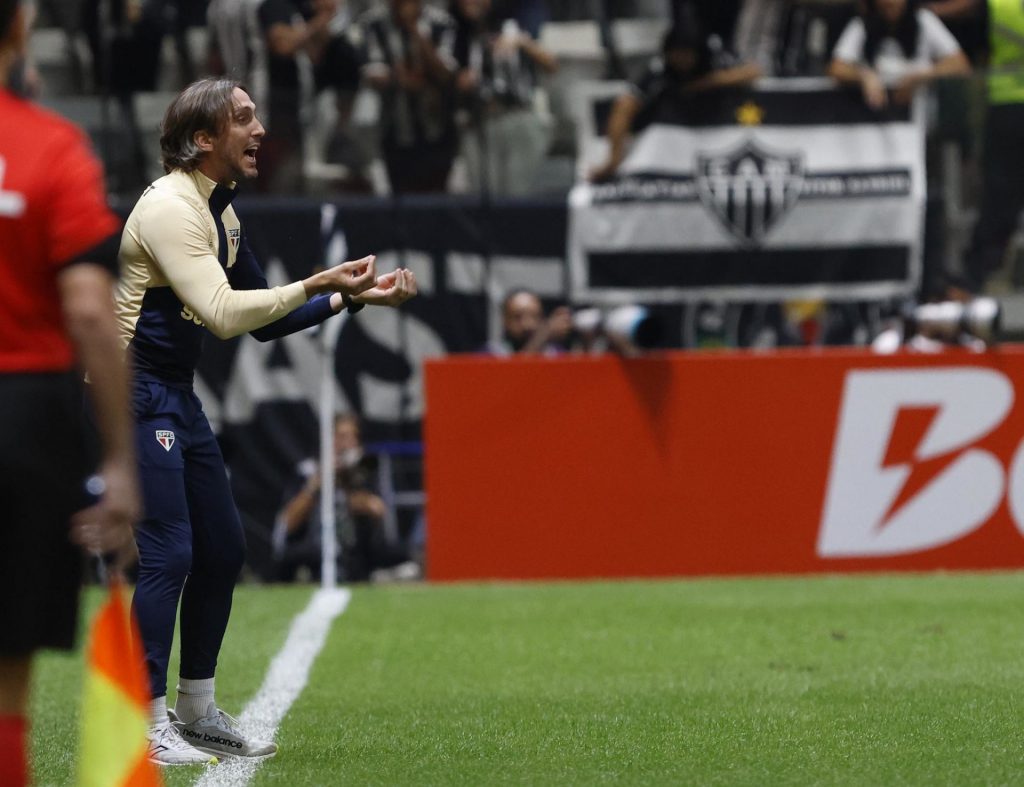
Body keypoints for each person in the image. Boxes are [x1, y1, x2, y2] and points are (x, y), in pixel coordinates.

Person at [115, 76, 417, 764]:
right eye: (243, 119)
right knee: (170, 552)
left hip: (173, 394)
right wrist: (315, 281)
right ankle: (142, 718)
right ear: (203, 139)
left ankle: (195, 708)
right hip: (130, 391)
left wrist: (353, 297)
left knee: (223, 545)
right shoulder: (169, 207)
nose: (259, 130)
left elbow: (266, 320)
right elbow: (225, 315)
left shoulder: (223, 212)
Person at [0, 0, 141, 783]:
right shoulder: (50, 147)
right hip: (22, 417)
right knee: (8, 680)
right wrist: (118, 459)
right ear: (20, 28)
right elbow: (89, 308)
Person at [588, 24, 761, 182]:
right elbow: (625, 105)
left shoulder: (714, 57)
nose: (681, 60)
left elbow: (753, 72)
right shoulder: (660, 69)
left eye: (686, 54)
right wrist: (613, 160)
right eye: (676, 54)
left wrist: (703, 84)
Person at [273, 413, 418, 583]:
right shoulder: (308, 470)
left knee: (405, 556)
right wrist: (316, 486)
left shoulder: (367, 468)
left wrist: (348, 483)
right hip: (316, 546)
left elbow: (378, 509)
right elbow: (287, 522)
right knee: (285, 559)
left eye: (353, 436)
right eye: (341, 436)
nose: (347, 443)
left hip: (358, 548)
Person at [451, 0, 558, 195]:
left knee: (518, 195)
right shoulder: (457, 34)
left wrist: (522, 42)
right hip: (478, 122)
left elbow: (551, 64)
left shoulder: (511, 26)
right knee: (484, 195)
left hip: (517, 116)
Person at [356, 0, 459, 193]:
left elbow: (445, 73)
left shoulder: (442, 22)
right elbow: (373, 73)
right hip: (394, 131)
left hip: (437, 130)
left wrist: (414, 29)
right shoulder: (373, 23)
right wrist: (403, 79)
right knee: (401, 203)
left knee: (436, 200)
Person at [828, 0, 970, 110]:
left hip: (921, 115)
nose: (891, 2)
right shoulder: (862, 25)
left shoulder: (923, 20)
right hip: (874, 117)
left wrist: (921, 77)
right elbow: (836, 68)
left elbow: (960, 64)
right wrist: (864, 77)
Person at [484, 289, 571, 355]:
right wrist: (542, 337)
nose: (527, 325)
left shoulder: (557, 354)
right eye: (517, 317)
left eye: (534, 316)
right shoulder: (490, 353)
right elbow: (514, 374)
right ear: (505, 320)